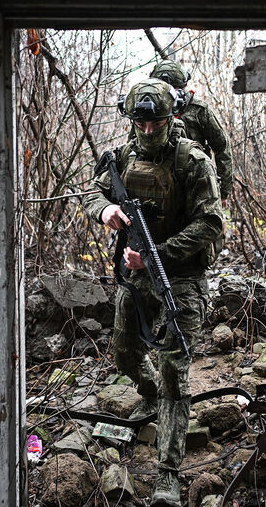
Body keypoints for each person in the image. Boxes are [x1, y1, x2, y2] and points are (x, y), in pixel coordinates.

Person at [84, 78, 224, 507]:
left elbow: (211, 223)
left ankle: (168, 472)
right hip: (137, 273)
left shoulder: (192, 161)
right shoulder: (122, 156)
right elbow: (92, 191)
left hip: (180, 275)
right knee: (125, 353)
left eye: (156, 123)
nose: (148, 131)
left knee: (173, 368)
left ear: (172, 117)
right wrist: (106, 209)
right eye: (140, 123)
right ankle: (152, 396)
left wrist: (157, 254)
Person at [150, 59, 233, 205]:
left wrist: (223, 191)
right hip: (157, 182)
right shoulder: (149, 112)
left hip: (194, 181)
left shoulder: (199, 111)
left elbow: (222, 146)